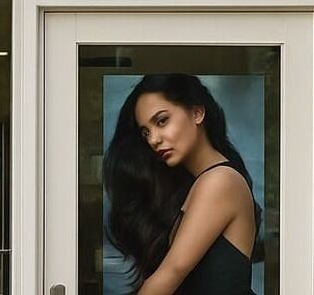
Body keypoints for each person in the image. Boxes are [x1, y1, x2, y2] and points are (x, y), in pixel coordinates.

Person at [103, 74, 261, 295]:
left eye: (162, 121)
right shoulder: (199, 184)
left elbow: (171, 273)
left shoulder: (221, 181)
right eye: (145, 132)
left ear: (197, 113)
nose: (153, 139)